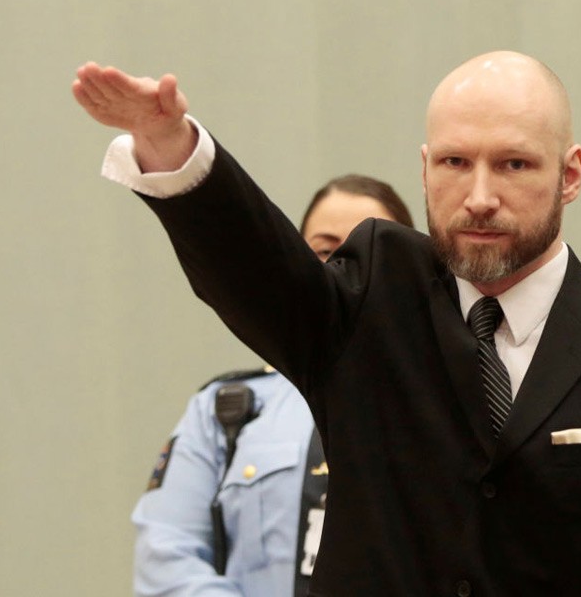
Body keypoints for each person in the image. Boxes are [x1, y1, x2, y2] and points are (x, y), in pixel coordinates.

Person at [73, 51, 581, 596]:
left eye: (515, 164)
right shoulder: (371, 298)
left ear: (571, 174)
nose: (481, 196)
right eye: (456, 163)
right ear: (425, 167)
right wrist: (171, 145)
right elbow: (256, 269)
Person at [131, 175, 414, 597]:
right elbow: (166, 558)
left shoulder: (438, 406)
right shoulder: (228, 410)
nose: (341, 271)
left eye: (366, 254)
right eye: (323, 250)